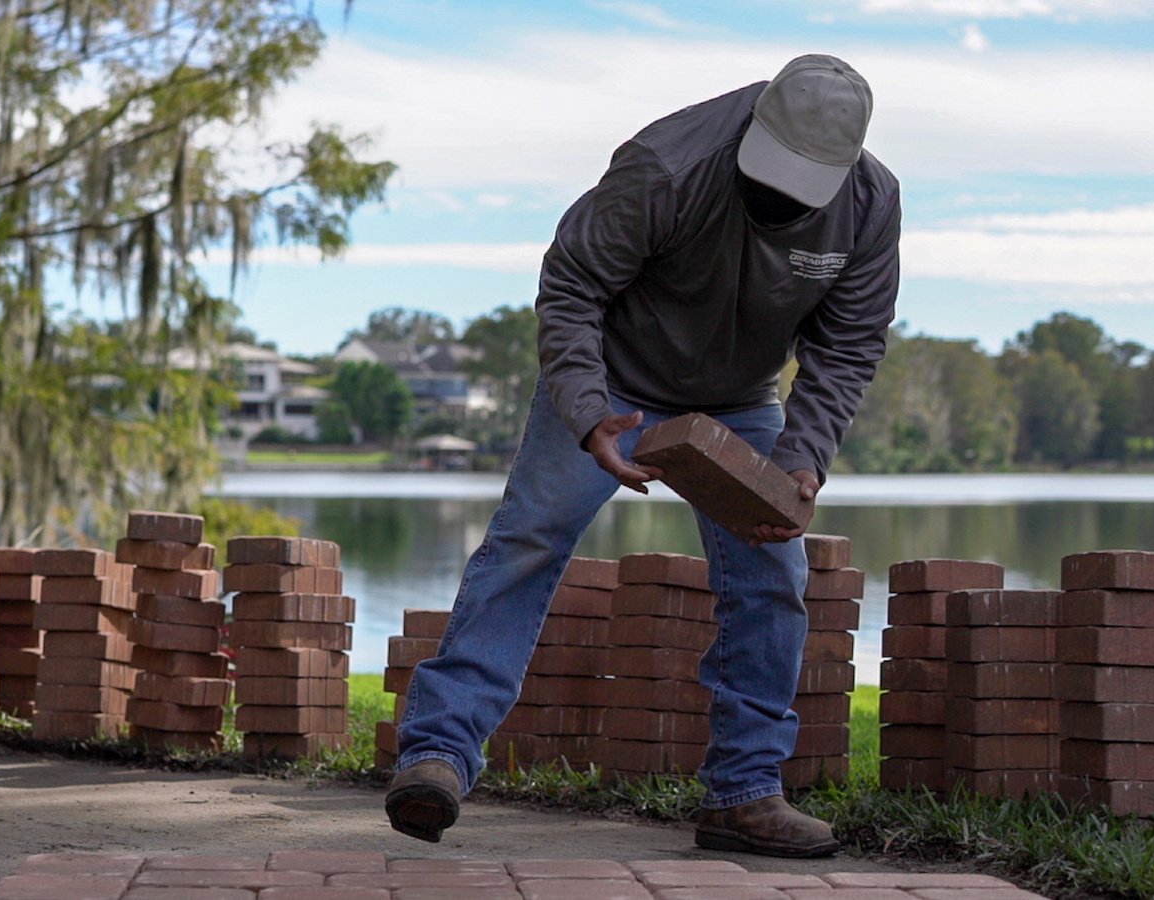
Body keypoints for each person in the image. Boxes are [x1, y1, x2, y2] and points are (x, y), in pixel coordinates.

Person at [385, 53, 900, 858]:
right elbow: (572, 286)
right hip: (614, 379)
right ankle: (438, 755)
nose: (775, 199)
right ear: (754, 124)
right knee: (529, 539)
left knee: (775, 571)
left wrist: (801, 458)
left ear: (845, 168)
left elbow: (848, 344)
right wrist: (590, 415)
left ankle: (744, 794)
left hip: (738, 401)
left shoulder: (870, 204)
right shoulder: (668, 163)